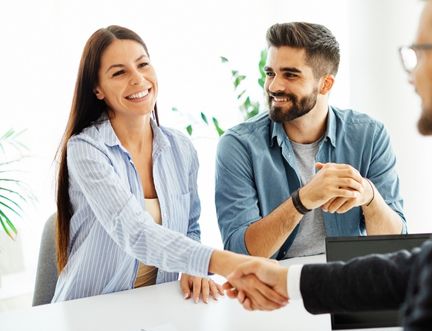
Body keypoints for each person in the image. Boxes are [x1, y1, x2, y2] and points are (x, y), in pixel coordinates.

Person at [225, 0, 432, 330]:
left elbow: (413, 253)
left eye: (421, 52)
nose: (411, 76)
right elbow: (419, 267)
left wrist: (369, 196)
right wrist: (289, 279)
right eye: (270, 73)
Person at [52, 25, 287, 309]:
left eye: (143, 65)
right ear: (97, 89)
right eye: (119, 72)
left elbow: (190, 226)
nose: (138, 79)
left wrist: (193, 266)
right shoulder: (86, 149)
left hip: (158, 306)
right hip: (89, 310)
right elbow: (135, 231)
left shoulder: (180, 148)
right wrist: (228, 263)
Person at [215, 22, 406, 260]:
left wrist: (369, 196)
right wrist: (302, 200)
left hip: (347, 281)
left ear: (325, 84)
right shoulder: (239, 145)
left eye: (290, 75)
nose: (273, 86)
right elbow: (237, 254)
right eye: (270, 73)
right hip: (274, 286)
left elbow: (395, 245)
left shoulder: (369, 135)